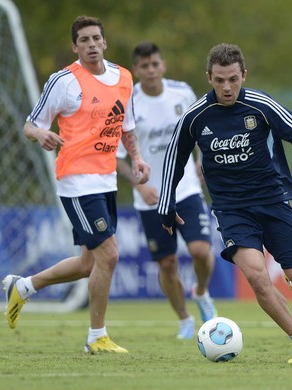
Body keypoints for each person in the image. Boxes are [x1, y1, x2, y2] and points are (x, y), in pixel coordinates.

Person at [158, 43, 292, 364]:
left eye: (233, 78)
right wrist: (167, 203)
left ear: (243, 75)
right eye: (219, 80)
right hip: (231, 210)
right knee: (258, 277)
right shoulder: (195, 117)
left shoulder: (260, 106)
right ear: (209, 78)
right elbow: (173, 160)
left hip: (273, 202)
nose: (227, 86)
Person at [2, 15, 150, 354]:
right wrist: (41, 134)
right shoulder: (64, 81)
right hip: (76, 181)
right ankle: (96, 337)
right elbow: (30, 124)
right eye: (84, 40)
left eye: (96, 38)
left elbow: (126, 128)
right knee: (109, 255)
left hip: (106, 180)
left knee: (89, 263)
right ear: (75, 47)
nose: (92, 44)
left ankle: (23, 287)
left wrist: (137, 158)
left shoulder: (124, 78)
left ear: (105, 42)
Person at [116, 42, 217, 339]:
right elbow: (117, 157)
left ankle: (200, 291)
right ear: (136, 70)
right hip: (151, 197)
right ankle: (185, 319)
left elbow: (198, 128)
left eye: (155, 64)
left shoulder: (182, 92)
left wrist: (201, 158)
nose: (150, 70)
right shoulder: (128, 101)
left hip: (184, 188)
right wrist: (140, 185)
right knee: (167, 263)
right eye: (144, 66)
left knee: (201, 250)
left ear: (163, 65)